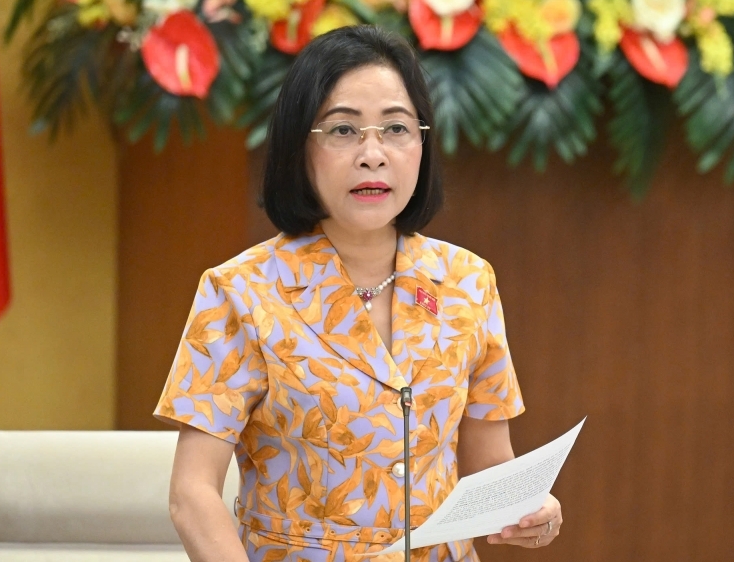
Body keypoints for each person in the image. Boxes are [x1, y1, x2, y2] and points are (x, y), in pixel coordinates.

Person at [154, 24, 562, 562]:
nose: (373, 154)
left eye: (396, 128)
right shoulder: (240, 292)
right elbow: (191, 494)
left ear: (422, 144)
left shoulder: (469, 282)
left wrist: (531, 508)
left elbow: (488, 464)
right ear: (299, 147)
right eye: (343, 130)